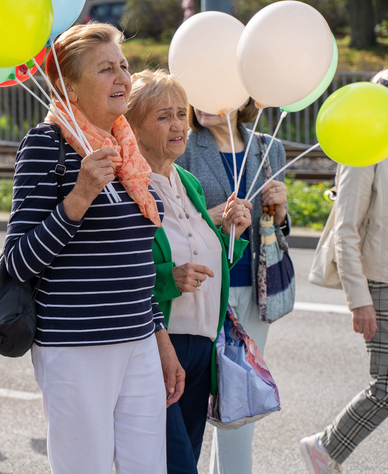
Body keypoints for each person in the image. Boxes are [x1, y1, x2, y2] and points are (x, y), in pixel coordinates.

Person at [3, 23, 183, 473]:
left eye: (123, 65)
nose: (123, 77)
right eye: (106, 69)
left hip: (138, 338)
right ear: (71, 86)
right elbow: (19, 260)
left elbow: (134, 258)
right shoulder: (47, 145)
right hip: (77, 344)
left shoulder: (126, 147)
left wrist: (159, 335)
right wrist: (80, 195)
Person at [126, 69, 252, 474]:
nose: (179, 125)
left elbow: (207, 264)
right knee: (176, 463)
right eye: (163, 116)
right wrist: (169, 278)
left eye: (181, 113)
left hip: (203, 346)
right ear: (131, 126)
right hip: (158, 343)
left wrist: (234, 236)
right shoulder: (127, 185)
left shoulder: (188, 182)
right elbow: (121, 266)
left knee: (184, 457)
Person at [300, 66, 388, 474]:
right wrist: (359, 300)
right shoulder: (367, 153)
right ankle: (325, 448)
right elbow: (345, 233)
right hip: (386, 282)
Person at [175, 97, 288, 474]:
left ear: (242, 98)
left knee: (238, 404)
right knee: (186, 406)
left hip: (255, 294)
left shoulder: (267, 147)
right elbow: (170, 219)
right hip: (201, 293)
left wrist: (281, 212)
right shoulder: (184, 145)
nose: (203, 99)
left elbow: (272, 231)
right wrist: (214, 217)